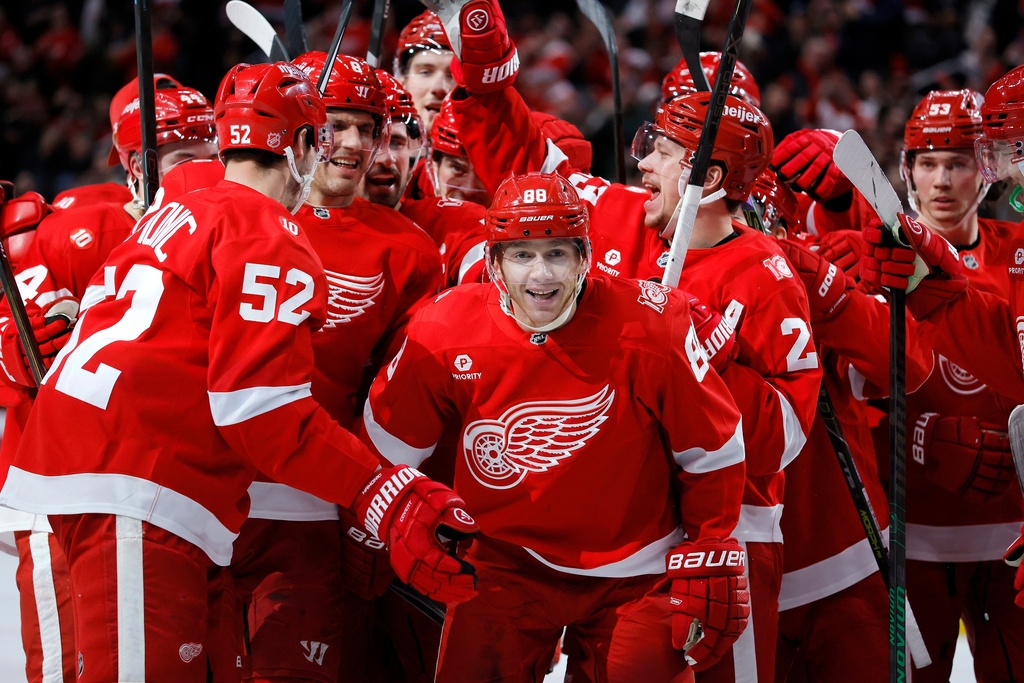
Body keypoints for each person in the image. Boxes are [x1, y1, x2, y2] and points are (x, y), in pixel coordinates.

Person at [0, 61, 477, 683]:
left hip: (84, 480)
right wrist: (388, 495)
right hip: (142, 487)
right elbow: (259, 410)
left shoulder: (174, 210)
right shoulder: (266, 231)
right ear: (305, 144)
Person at [361, 170, 750, 682]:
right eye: (522, 255)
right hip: (506, 562)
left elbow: (713, 451)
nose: (541, 276)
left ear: (585, 257)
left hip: (638, 570)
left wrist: (712, 543)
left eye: (557, 254)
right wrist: (393, 521)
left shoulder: (653, 325)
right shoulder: (444, 328)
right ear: (494, 263)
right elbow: (385, 450)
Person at [225, 50, 443, 683]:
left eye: (367, 127)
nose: (352, 143)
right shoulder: (237, 211)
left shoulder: (408, 251)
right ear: (298, 129)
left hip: (309, 507)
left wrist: (369, 519)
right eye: (335, 123)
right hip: (204, 491)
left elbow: (398, 402)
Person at [0, 73, 221, 683]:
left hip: (169, 489)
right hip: (62, 486)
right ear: (133, 168)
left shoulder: (225, 228)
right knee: (67, 663)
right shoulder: (77, 230)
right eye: (179, 161)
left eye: (210, 160)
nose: (194, 177)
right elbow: (16, 351)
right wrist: (16, 348)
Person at [855, 86, 1024, 681]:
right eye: (928, 163)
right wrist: (914, 438)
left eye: (955, 162)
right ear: (907, 170)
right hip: (914, 532)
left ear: (984, 168)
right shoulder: (874, 260)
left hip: (1015, 533)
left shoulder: (1021, 253)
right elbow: (839, 397)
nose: (942, 180)